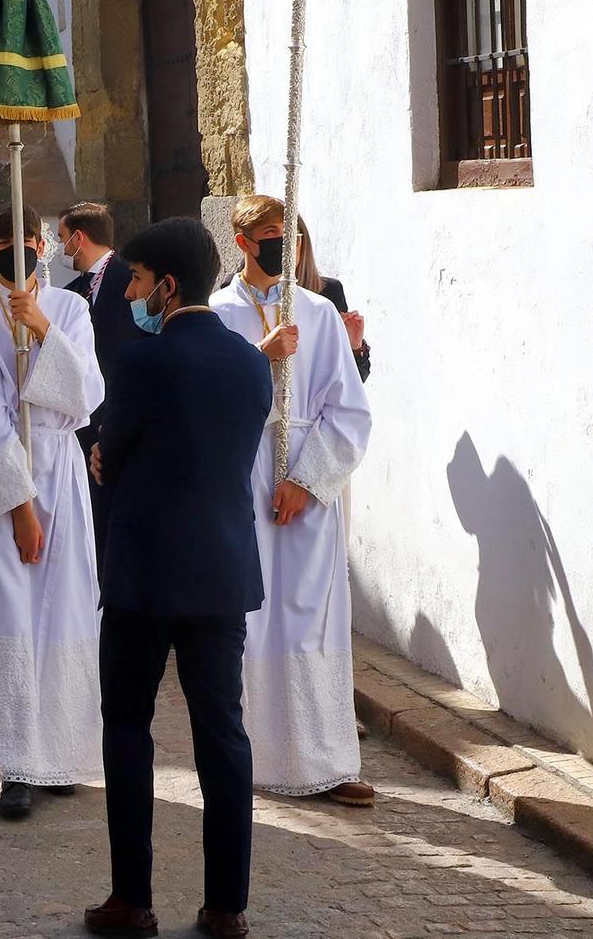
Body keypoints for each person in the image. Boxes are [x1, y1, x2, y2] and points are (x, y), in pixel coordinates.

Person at [85, 218, 270, 939]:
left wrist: (106, 457)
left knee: (128, 727)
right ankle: (227, 906)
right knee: (222, 733)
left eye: (135, 281)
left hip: (143, 575)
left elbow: (115, 448)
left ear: (165, 286)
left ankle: (132, 900)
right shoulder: (251, 363)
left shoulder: (141, 360)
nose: (130, 293)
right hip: (221, 571)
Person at [0, 204, 106, 820]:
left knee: (61, 611)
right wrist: (20, 508)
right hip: (7, 490)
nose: (22, 252)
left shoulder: (72, 311)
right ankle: (14, 762)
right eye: (8, 244)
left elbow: (87, 397)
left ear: (44, 246)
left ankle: (58, 750)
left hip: (62, 470)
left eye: (31, 242)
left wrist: (41, 330)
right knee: (11, 614)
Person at [211, 196, 374, 810]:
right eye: (273, 236)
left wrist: (306, 483)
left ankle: (325, 762)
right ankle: (251, 756)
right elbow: (208, 398)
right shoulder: (220, 314)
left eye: (292, 237)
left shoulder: (320, 314)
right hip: (243, 472)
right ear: (244, 243)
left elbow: (350, 411)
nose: (286, 247)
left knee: (312, 618)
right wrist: (261, 356)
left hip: (305, 482)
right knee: (250, 621)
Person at [59, 202, 135, 566]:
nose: (61, 249)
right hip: (81, 422)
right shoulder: (70, 291)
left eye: (62, 239)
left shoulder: (130, 279)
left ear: (79, 238)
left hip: (121, 415)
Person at [290, 216, 373, 382]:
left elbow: (355, 380)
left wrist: (354, 346)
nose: (283, 248)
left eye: (292, 239)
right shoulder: (235, 294)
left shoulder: (328, 292)